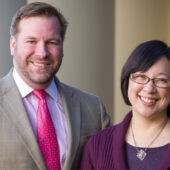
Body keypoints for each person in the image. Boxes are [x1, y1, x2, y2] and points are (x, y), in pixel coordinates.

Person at [0, 2, 111, 170]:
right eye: (31, 41)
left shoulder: (93, 109)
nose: (42, 53)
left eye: (52, 42)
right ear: (12, 45)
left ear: (62, 47)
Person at [80, 40, 170, 170]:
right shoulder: (98, 146)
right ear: (127, 81)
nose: (149, 89)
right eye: (140, 77)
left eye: (162, 80)